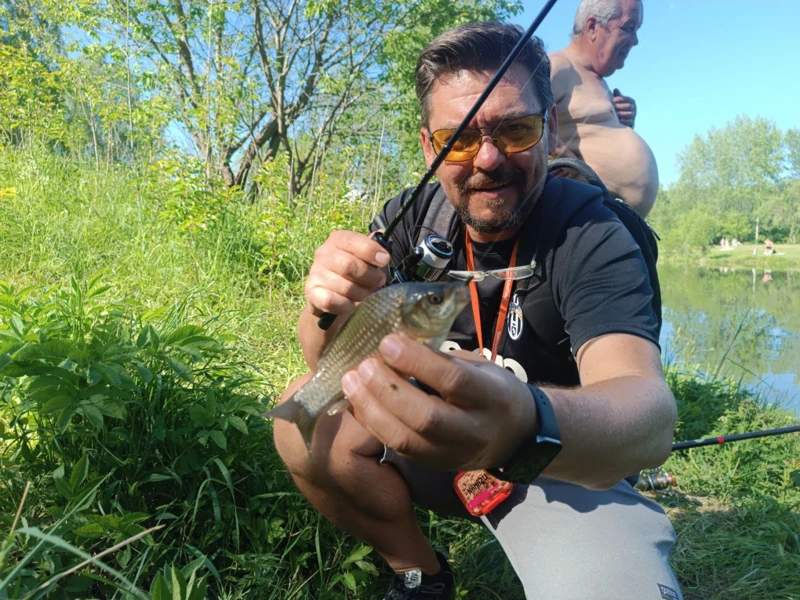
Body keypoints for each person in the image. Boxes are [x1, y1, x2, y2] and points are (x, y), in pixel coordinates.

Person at [273, 22, 681, 600]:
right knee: (302, 419)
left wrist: (525, 422)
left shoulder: (593, 233)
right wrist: (323, 307)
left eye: (515, 129)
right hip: (431, 440)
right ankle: (420, 577)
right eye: (459, 137)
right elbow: (325, 363)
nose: (488, 158)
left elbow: (649, 416)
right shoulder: (411, 218)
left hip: (557, 464)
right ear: (429, 147)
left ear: (551, 131)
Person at [549, 0, 659, 218]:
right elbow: (518, 119)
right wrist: (568, 162)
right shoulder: (557, 66)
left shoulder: (596, 78)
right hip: (587, 217)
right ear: (592, 27)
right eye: (629, 28)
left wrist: (624, 120)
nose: (635, 40)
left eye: (637, 30)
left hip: (616, 219)